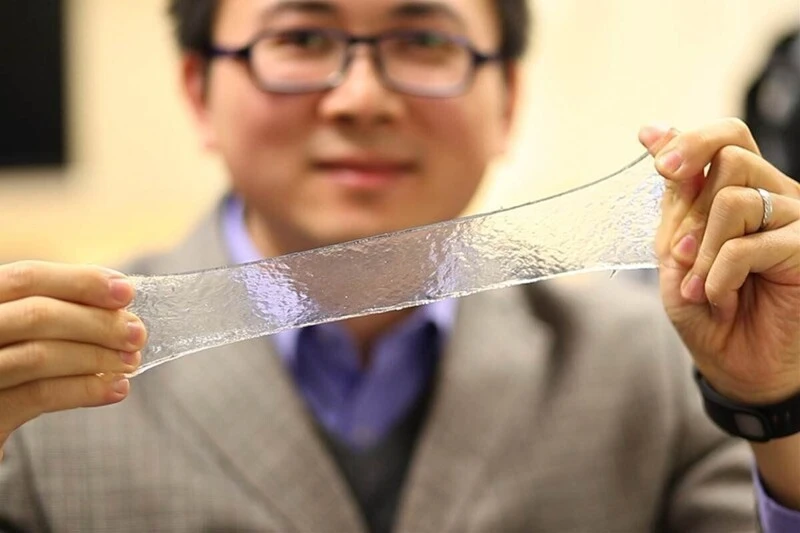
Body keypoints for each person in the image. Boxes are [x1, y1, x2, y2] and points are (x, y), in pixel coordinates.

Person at [0, 1, 798, 531]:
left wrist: (777, 403)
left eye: (424, 42)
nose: (361, 98)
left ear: (508, 99)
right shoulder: (44, 394)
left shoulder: (659, 371)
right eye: (301, 38)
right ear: (197, 90)